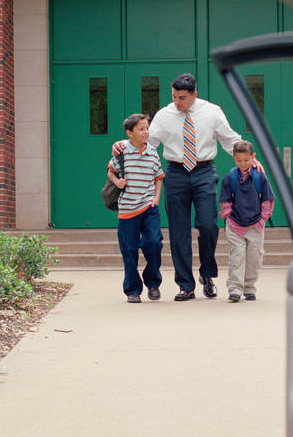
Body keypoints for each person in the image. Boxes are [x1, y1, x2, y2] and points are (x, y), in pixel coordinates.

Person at [113, 73, 260, 302]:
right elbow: (146, 142)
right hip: (175, 172)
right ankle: (185, 285)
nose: (177, 102)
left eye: (182, 98)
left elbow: (230, 140)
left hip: (204, 171)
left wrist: (250, 158)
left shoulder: (212, 112)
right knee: (179, 231)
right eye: (174, 96)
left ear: (194, 95)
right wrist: (122, 144)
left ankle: (207, 276)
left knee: (208, 225)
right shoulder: (164, 115)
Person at [107, 113, 165, 303]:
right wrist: (118, 182)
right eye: (141, 129)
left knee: (154, 243)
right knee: (129, 250)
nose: (146, 132)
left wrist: (156, 198)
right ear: (129, 133)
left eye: (147, 128)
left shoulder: (153, 151)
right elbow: (110, 171)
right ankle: (132, 289)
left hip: (149, 207)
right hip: (127, 210)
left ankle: (153, 282)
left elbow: (158, 177)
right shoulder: (121, 152)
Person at [219, 140, 275, 303]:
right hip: (235, 224)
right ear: (234, 159)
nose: (242, 164)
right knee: (237, 256)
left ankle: (249, 287)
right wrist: (228, 217)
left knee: (254, 257)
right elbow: (225, 200)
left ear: (253, 157)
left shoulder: (260, 177)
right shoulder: (231, 177)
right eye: (238, 160)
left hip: (256, 225)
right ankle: (235, 288)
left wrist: (263, 218)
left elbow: (267, 199)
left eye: (246, 160)